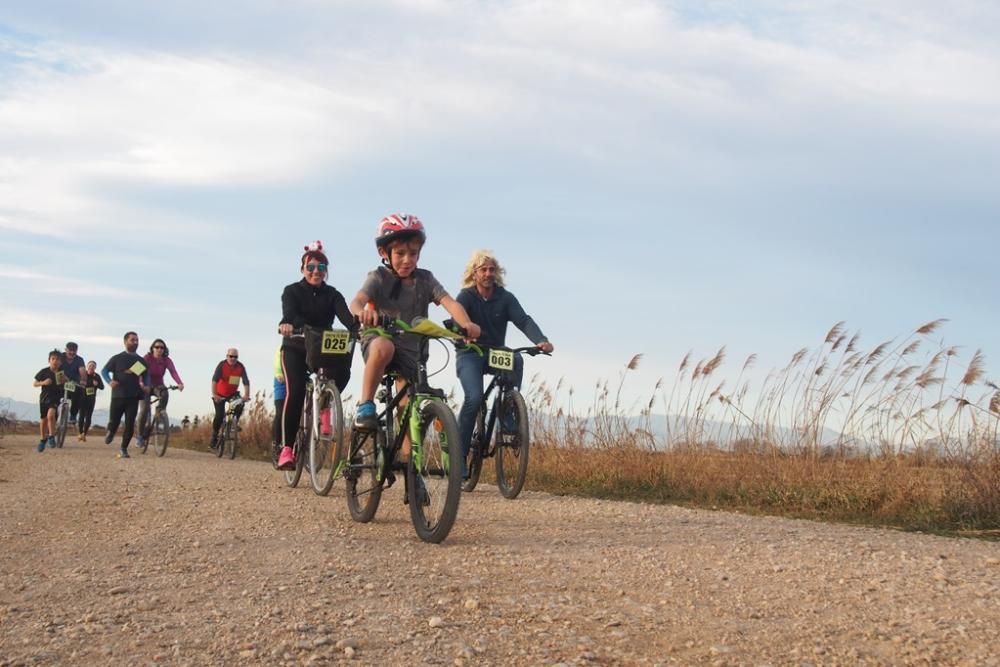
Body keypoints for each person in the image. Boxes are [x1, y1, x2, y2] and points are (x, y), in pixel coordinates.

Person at [349, 214, 481, 458]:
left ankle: (413, 469)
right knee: (384, 347)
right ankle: (365, 405)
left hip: (411, 350)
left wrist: (466, 323)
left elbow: (449, 302)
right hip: (379, 338)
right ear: (384, 252)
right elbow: (357, 301)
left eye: (414, 253)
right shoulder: (377, 277)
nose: (407, 260)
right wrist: (362, 314)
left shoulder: (425, 279)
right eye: (400, 253)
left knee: (408, 410)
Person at [455, 250, 554, 477]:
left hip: (494, 352)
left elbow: (523, 320)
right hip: (470, 353)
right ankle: (459, 456)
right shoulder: (466, 297)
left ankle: (508, 411)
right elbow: (457, 320)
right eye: (483, 269)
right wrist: (462, 334)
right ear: (474, 273)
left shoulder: (505, 298)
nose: (488, 273)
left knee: (516, 359)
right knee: (474, 398)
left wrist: (541, 340)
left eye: (492, 269)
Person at [275, 241, 356, 470]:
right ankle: (287, 449)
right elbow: (289, 313)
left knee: (342, 371)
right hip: (296, 346)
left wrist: (357, 328)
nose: (316, 272)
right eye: (311, 267)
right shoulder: (291, 291)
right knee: (297, 391)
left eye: (321, 267)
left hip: (322, 347)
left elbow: (346, 318)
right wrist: (287, 324)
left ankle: (324, 406)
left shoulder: (332, 294)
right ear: (302, 269)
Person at [101, 331, 148, 458]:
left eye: (137, 340)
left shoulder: (140, 361)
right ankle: (111, 431)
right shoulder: (117, 358)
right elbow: (104, 371)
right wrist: (110, 381)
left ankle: (123, 448)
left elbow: (145, 374)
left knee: (130, 423)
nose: (135, 342)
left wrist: (146, 385)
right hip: (118, 396)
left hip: (133, 396)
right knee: (114, 422)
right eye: (132, 340)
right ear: (125, 341)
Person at [136, 338, 185, 447]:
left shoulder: (166, 360)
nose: (159, 349)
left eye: (162, 347)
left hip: (158, 385)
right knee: (144, 409)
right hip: (145, 386)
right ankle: (140, 437)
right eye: (157, 347)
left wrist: (179, 383)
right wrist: (141, 384)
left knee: (165, 393)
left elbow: (173, 372)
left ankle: (159, 413)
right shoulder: (146, 358)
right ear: (152, 348)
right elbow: (137, 372)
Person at [210, 348, 250, 448]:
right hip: (220, 394)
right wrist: (215, 394)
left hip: (232, 394)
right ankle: (214, 436)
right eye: (231, 356)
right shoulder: (222, 365)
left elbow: (246, 381)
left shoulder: (240, 367)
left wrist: (246, 395)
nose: (233, 358)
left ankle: (233, 423)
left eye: (235, 357)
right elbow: (214, 380)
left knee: (240, 403)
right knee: (219, 415)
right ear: (227, 356)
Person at [32, 349, 63, 451]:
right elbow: (35, 383)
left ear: (60, 362)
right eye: (53, 359)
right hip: (44, 398)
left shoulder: (60, 373)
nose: (55, 361)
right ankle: (42, 439)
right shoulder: (44, 371)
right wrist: (43, 382)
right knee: (44, 419)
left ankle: (51, 436)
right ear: (49, 360)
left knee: (51, 415)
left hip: (56, 397)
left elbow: (67, 382)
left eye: (57, 359)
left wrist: (66, 380)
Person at [59, 341, 87, 428]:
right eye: (70, 350)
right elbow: (55, 367)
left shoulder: (79, 360)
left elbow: (82, 371)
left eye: (74, 351)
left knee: (79, 394)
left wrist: (83, 380)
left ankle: (73, 415)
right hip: (60, 381)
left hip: (73, 383)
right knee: (53, 398)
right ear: (65, 350)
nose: (72, 352)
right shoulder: (60, 357)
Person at [77, 360, 105, 442]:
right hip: (82, 397)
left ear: (95, 367)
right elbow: (77, 382)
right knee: (81, 416)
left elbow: (102, 387)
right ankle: (80, 433)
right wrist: (81, 383)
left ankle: (84, 434)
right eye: (90, 366)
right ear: (87, 366)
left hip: (91, 399)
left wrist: (97, 384)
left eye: (93, 366)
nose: (91, 367)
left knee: (88, 417)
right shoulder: (82, 374)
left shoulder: (97, 376)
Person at [271, 345, 287, 467]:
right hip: (282, 380)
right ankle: (276, 444)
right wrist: (278, 373)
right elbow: (278, 358)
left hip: (298, 377)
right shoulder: (285, 344)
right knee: (281, 412)